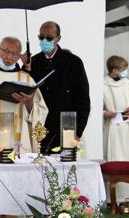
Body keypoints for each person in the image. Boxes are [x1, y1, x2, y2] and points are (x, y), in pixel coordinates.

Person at [23, 21, 90, 152]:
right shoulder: (33, 62)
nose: (44, 40)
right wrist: (26, 68)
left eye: (49, 38)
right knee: (39, 164)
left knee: (66, 167)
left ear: (58, 38)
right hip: (41, 123)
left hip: (67, 123)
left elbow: (83, 99)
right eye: (41, 37)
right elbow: (25, 88)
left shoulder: (73, 62)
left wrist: (78, 131)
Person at [103, 55, 129, 203]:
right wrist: (106, 114)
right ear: (114, 71)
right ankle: (113, 198)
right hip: (113, 128)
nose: (125, 72)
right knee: (115, 159)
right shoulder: (103, 84)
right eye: (123, 69)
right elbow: (97, 109)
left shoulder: (126, 83)